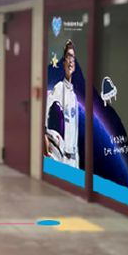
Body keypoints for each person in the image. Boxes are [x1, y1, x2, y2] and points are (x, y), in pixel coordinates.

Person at [44, 39, 79, 168]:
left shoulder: (74, 97)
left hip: (74, 158)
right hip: (62, 157)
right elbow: (44, 109)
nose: (70, 61)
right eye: (68, 57)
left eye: (73, 58)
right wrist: (44, 135)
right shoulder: (59, 88)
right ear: (64, 63)